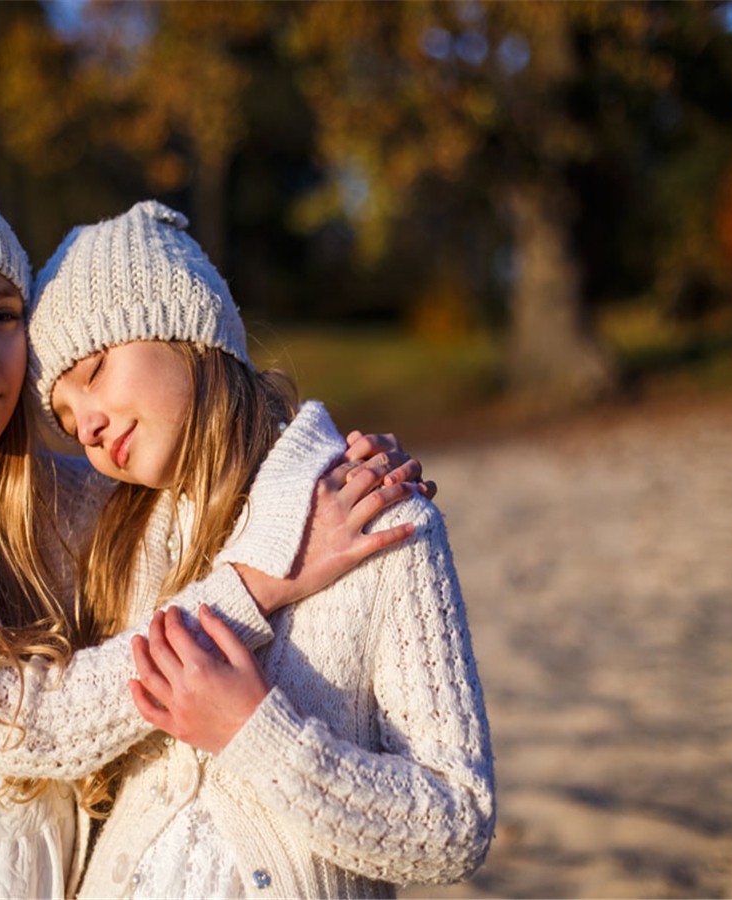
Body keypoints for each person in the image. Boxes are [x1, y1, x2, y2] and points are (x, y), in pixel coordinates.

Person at [0, 165, 424, 900]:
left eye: (3, 314)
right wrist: (266, 577)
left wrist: (342, 471)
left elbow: (213, 484)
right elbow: (32, 725)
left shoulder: (77, 508)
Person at [28, 200, 496, 899]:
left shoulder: (377, 516)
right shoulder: (110, 542)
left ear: (187, 329)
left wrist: (254, 732)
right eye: (64, 420)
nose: (87, 427)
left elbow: (456, 827)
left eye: (94, 371)